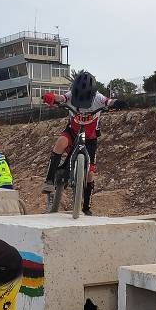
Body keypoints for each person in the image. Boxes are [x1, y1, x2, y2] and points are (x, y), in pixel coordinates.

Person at [40, 71, 125, 216]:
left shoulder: (98, 97)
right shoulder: (70, 95)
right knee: (60, 143)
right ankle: (49, 180)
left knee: (90, 174)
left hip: (91, 138)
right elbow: (61, 98)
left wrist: (118, 103)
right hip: (73, 132)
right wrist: (51, 97)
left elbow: (108, 102)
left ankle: (86, 206)